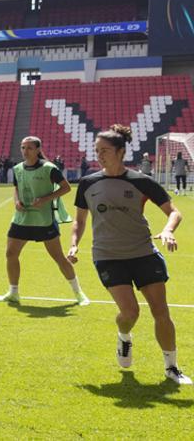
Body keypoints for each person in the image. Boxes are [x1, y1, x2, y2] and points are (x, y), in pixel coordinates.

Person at [68, 125, 189, 384]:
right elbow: (79, 220)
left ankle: (172, 367)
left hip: (144, 252)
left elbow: (174, 212)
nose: (99, 155)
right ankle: (124, 337)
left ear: (121, 152)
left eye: (105, 151)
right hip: (108, 256)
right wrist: (74, 243)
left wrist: (168, 230)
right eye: (97, 150)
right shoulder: (88, 183)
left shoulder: (141, 182)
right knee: (130, 313)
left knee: (161, 311)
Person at [0, 137, 89, 306]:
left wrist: (45, 199)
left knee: (59, 258)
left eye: (29, 148)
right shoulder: (17, 169)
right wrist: (16, 202)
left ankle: (79, 293)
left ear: (38, 149)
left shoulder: (49, 168)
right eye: (23, 147)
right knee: (10, 254)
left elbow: (66, 187)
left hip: (43, 220)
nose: (25, 151)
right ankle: (13, 292)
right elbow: (16, 188)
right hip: (21, 219)